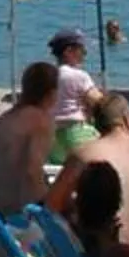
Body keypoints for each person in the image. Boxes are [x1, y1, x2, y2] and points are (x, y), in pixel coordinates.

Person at [48, 90, 129, 250]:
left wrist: (73, 207)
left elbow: (52, 205)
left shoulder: (83, 155)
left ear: (97, 124)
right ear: (128, 121)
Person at [0, 59, 59, 216]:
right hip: (21, 213)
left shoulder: (3, 119)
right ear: (52, 93)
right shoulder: (42, 122)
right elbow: (32, 172)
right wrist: (49, 207)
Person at [47, 29, 102, 166]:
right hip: (76, 136)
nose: (85, 53)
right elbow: (100, 103)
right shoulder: (79, 76)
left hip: (52, 139)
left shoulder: (47, 76)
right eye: (82, 49)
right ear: (68, 51)